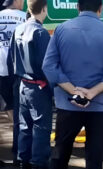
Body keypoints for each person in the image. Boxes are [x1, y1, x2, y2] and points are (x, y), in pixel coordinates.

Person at [42, 0, 103, 168]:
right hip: (99, 105)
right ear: (100, 9)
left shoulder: (61, 30)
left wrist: (74, 91)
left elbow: (49, 66)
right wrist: (93, 92)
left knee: (60, 155)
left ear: (77, 7)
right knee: (95, 157)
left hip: (68, 104)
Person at [7, 0, 50, 168]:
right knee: (41, 128)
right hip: (39, 86)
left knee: (24, 126)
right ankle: (38, 163)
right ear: (44, 9)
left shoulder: (19, 29)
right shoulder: (41, 33)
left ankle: (22, 160)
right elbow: (47, 66)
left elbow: (11, 59)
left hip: (22, 84)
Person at [0, 0, 25, 166]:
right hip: (18, 72)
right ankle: (19, 152)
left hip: (0, 69)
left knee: (10, 109)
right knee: (18, 112)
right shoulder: (26, 17)